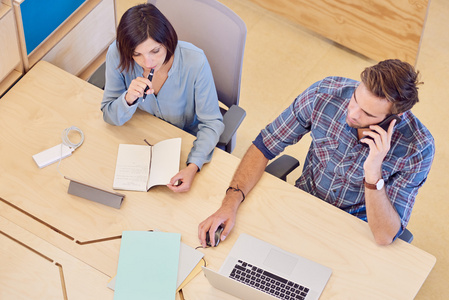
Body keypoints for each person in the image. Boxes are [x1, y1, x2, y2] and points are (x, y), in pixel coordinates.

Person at [198, 59, 434, 246]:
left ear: (394, 118)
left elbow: (384, 236)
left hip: (357, 228)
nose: (352, 114)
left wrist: (373, 173)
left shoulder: (418, 148)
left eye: (368, 114)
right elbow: (265, 145)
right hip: (303, 204)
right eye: (355, 100)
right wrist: (230, 202)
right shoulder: (325, 94)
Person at [101, 4, 224, 192]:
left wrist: (193, 166)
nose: (148, 63)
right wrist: (127, 99)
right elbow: (109, 115)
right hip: (142, 138)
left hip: (187, 142)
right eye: (137, 54)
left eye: (155, 51)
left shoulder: (195, 61)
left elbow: (212, 122)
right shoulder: (116, 54)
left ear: (167, 40)